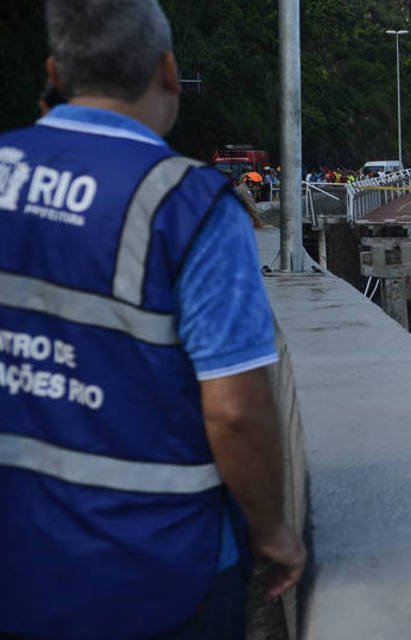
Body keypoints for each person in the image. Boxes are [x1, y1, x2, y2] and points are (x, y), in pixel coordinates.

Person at [0, 1, 305, 638]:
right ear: (168, 71)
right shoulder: (187, 204)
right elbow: (235, 412)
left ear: (55, 70)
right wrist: (273, 531)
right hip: (158, 570)